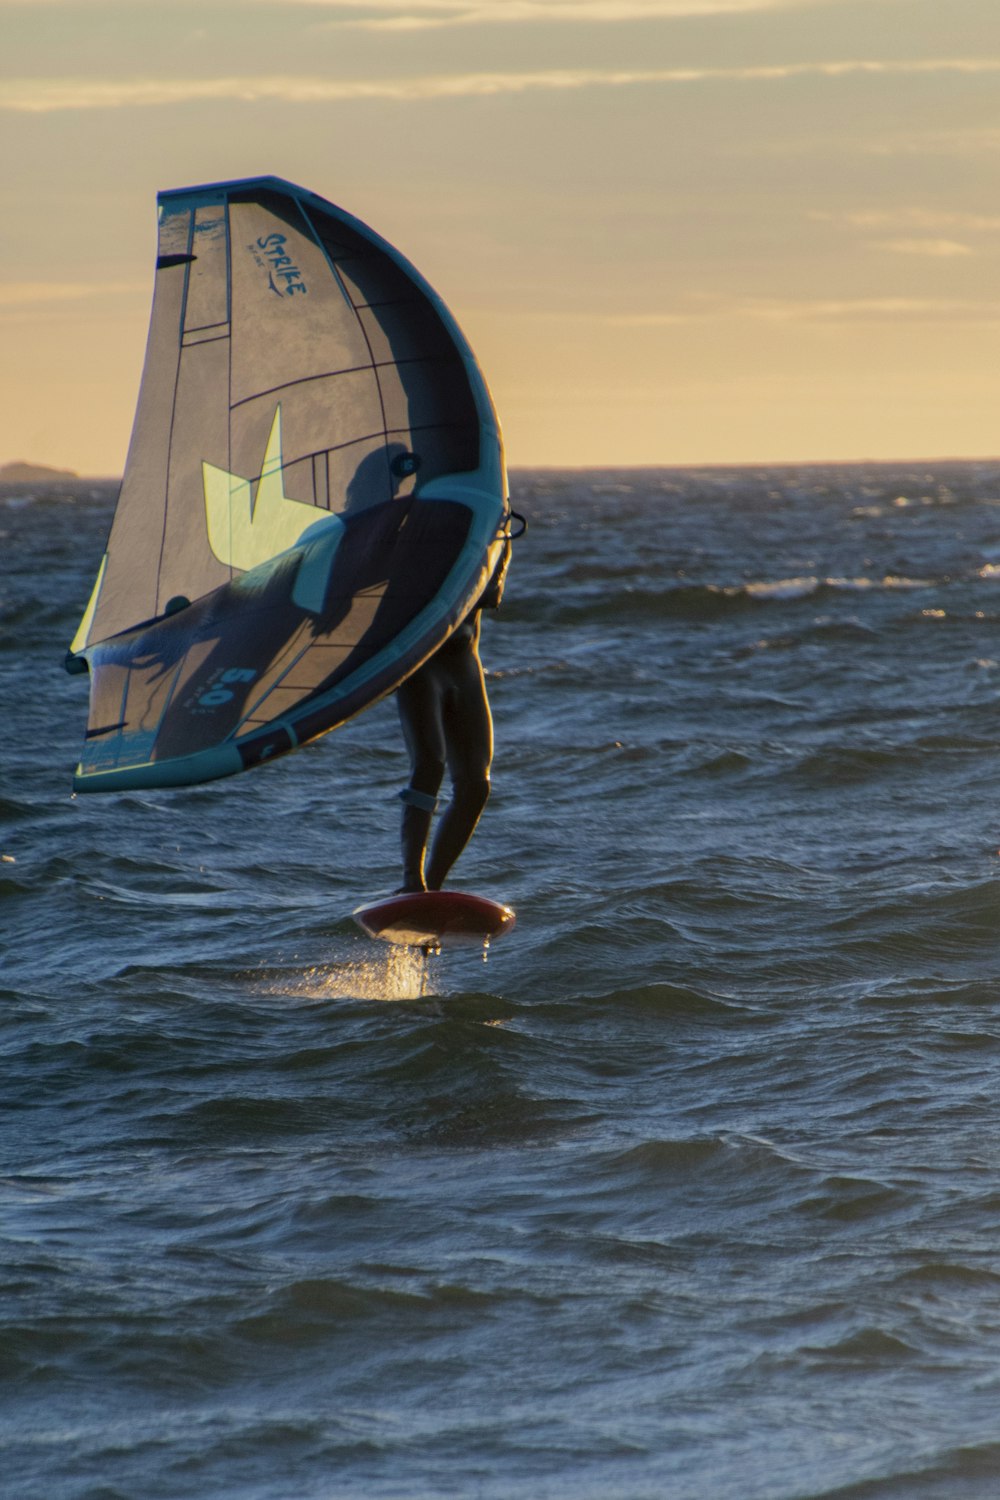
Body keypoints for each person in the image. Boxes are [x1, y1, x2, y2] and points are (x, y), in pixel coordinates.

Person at [395, 535, 512, 892]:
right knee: (430, 764)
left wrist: (496, 545)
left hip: (464, 662)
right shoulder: (416, 524)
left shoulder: (490, 519)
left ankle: (433, 888)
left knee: (476, 786)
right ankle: (412, 881)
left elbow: (491, 596)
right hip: (420, 661)